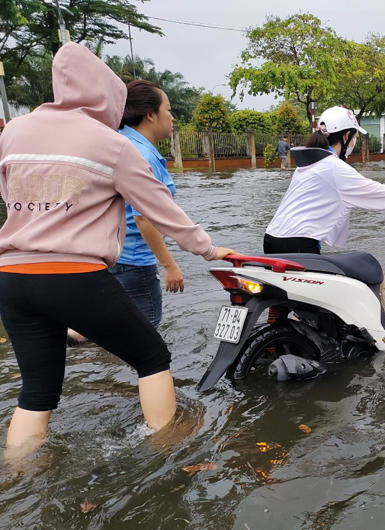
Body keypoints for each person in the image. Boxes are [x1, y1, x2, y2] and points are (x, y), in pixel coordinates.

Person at [0, 42, 236, 458]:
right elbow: (160, 210)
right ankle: (167, 452)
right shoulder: (110, 144)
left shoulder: (15, 131)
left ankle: (19, 473)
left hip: (11, 277)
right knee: (152, 355)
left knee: (37, 389)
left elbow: (12, 197)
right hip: (72, 274)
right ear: (108, 93)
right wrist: (208, 249)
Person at [263, 106, 385, 254]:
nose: (353, 142)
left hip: (272, 239)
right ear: (344, 136)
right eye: (353, 137)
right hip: (297, 245)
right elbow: (376, 192)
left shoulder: (309, 165)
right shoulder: (333, 168)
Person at [107, 80, 184, 329]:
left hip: (109, 255)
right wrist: (169, 265)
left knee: (113, 325)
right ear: (151, 115)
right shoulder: (143, 155)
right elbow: (144, 217)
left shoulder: (116, 143)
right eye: (168, 109)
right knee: (147, 336)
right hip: (135, 261)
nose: (172, 117)